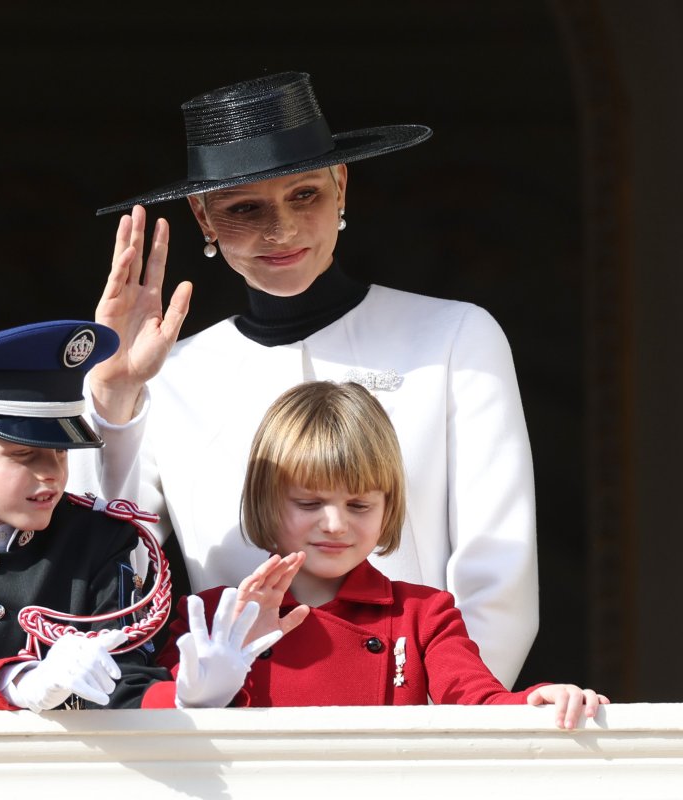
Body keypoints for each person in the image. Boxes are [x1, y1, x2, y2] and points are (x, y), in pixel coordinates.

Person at [71, 71, 538, 687]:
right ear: (203, 216)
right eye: (245, 208)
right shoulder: (170, 376)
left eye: (305, 195)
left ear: (341, 185)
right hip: (235, 724)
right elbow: (105, 570)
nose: (283, 230)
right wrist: (112, 395)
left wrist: (444, 726)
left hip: (424, 720)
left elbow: (499, 573)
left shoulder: (455, 338)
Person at [0, 320, 293, 711]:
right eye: (24, 454)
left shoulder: (100, 537)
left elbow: (123, 681)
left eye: (61, 453)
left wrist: (186, 701)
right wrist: (17, 681)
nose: (52, 474)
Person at [154, 381, 604, 730]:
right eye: (309, 503)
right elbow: (157, 721)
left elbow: (480, 702)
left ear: (388, 507)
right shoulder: (210, 615)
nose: (335, 524)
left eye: (359, 505)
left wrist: (541, 700)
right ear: (265, 502)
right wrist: (222, 663)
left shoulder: (422, 615)